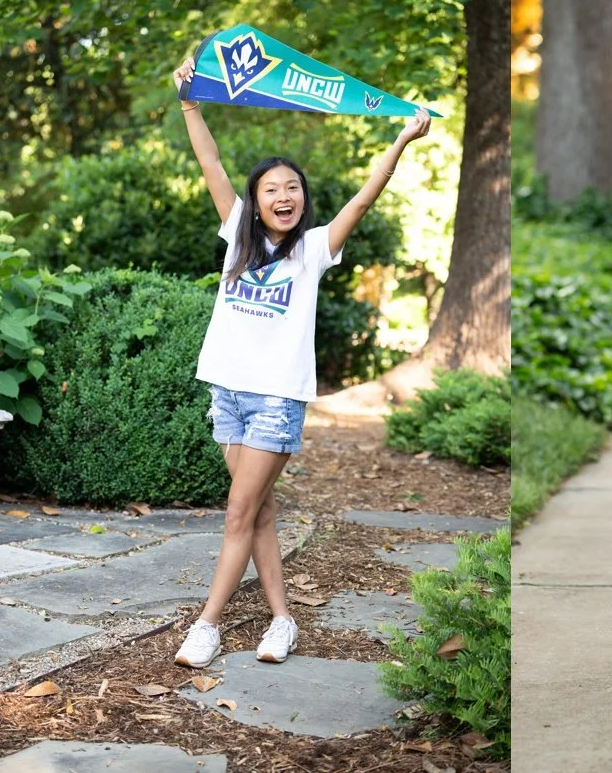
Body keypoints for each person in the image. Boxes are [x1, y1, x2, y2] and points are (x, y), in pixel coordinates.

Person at [168, 55, 430, 669]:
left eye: (293, 189)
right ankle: (283, 621)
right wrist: (189, 103)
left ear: (302, 200)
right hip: (228, 393)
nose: (284, 196)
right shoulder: (237, 235)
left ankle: (206, 626)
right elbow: (210, 162)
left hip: (275, 400)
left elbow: (363, 201)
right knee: (256, 512)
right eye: (271, 190)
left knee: (238, 510)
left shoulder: (312, 250)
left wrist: (401, 138)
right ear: (255, 203)